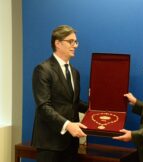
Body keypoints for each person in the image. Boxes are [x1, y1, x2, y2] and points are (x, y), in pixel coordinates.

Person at [31, 25, 88, 162]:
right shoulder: (43, 70)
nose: (75, 45)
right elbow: (44, 107)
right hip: (50, 144)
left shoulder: (75, 73)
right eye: (71, 41)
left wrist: (97, 110)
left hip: (71, 143)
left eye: (76, 42)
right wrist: (68, 125)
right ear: (57, 43)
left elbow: (74, 103)